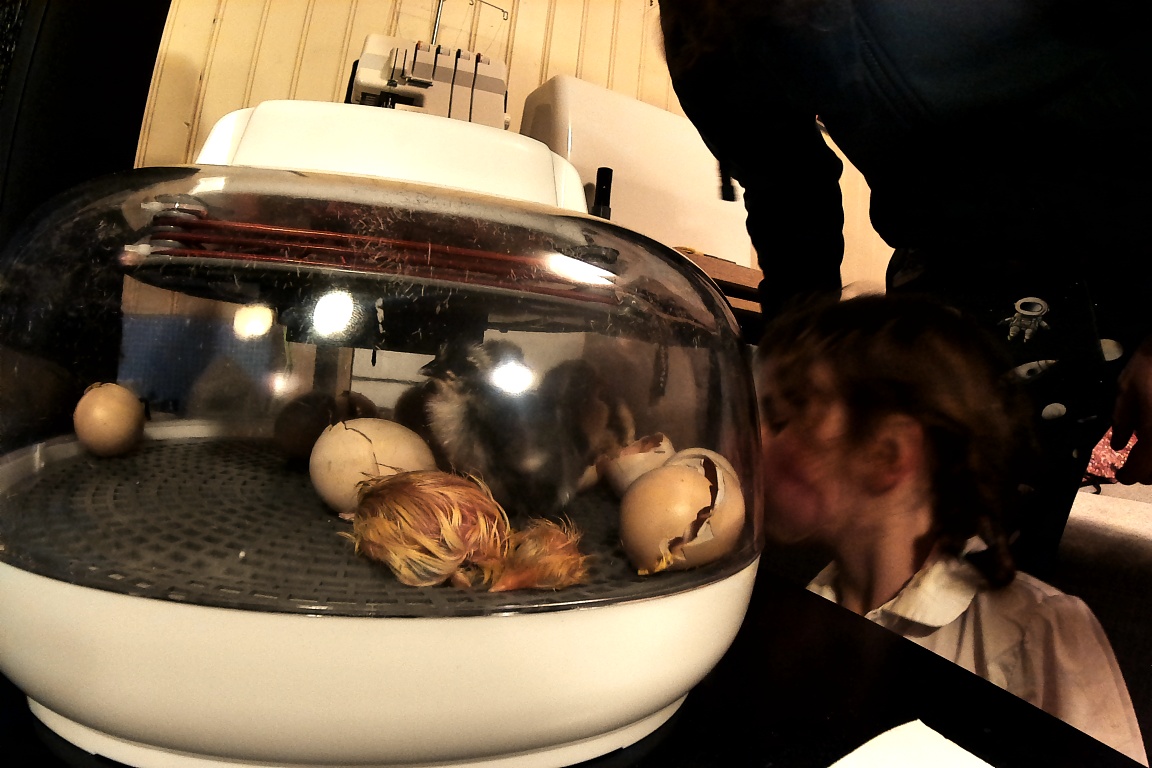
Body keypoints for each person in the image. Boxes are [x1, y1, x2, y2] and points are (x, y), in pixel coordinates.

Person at [658, 0, 1152, 576]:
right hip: (938, 264)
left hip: (1104, 255)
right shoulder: (704, 25)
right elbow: (788, 192)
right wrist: (794, 369)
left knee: (985, 562)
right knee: (896, 542)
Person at [755, 293, 1146, 764]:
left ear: (887, 455)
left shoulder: (1041, 633)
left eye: (781, 418)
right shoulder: (805, 608)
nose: (753, 438)